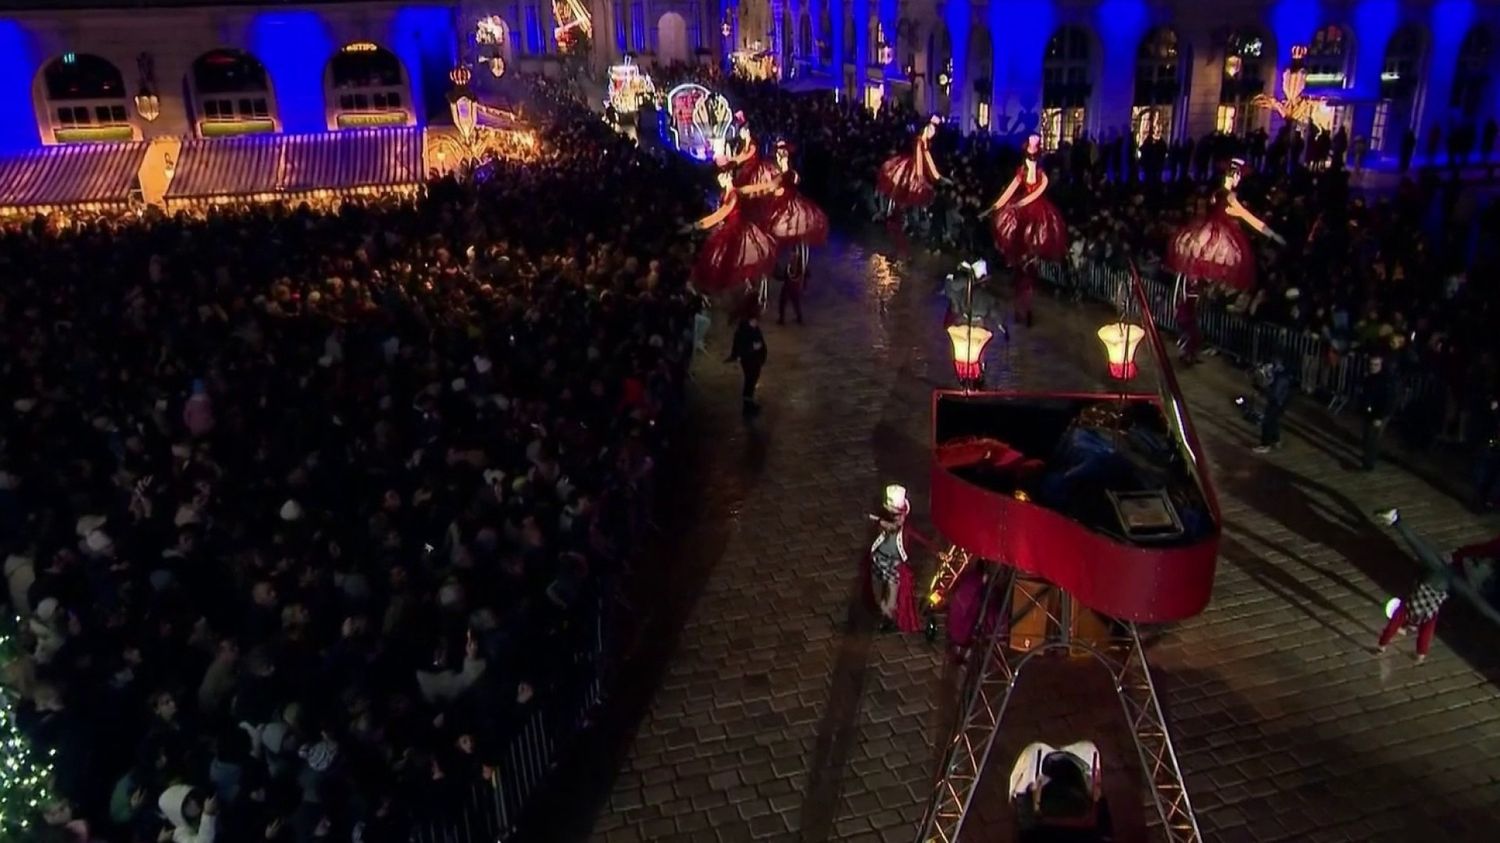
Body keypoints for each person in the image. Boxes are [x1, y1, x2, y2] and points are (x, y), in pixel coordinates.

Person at [1166, 159, 1285, 299]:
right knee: (1223, 266)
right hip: (1221, 237)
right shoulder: (1230, 197)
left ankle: (1197, 294)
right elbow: (1250, 218)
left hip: (1206, 232)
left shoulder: (1216, 194)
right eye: (1238, 176)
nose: (1239, 179)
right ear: (1232, 175)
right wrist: (1272, 234)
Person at [687, 164, 780, 304]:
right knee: (725, 261)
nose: (720, 180)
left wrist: (698, 225)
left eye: (722, 177)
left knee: (729, 260)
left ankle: (747, 291)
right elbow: (756, 188)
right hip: (731, 228)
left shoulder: (734, 194)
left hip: (736, 230)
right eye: (720, 177)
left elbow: (721, 214)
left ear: (728, 176)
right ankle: (742, 290)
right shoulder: (731, 192)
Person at [1373, 508, 1455, 664]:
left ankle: (1384, 646)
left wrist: (1381, 645)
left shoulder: (1412, 606)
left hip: (1422, 597)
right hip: (1431, 602)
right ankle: (1420, 654)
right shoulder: (1430, 610)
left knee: (1398, 621)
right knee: (1425, 629)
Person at [985, 134, 1068, 267]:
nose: (1030, 160)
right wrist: (995, 206)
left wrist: (1021, 203)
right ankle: (1018, 259)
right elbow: (1010, 190)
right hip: (1022, 205)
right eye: (1028, 156)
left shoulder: (1042, 176)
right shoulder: (1022, 173)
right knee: (1016, 229)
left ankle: (1034, 260)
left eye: (1033, 157)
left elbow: (1037, 193)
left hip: (1037, 208)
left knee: (1038, 233)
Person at [763, 139, 828, 286]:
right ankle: (795, 268)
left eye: (781, 154)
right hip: (787, 205)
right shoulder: (785, 172)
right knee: (792, 238)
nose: (779, 156)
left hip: (789, 207)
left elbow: (779, 186)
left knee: (793, 238)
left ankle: (797, 269)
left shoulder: (787, 173)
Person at [866, 484, 928, 633]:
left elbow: (920, 538)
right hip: (879, 561)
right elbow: (870, 518)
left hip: (895, 564)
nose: (899, 519)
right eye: (894, 515)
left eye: (900, 515)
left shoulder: (906, 529)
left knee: (892, 596)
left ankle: (889, 617)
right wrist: (881, 523)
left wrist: (937, 551)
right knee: (877, 592)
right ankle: (885, 612)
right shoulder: (882, 526)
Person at [876, 116, 946, 219]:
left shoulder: (926, 142)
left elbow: (927, 159)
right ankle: (891, 212)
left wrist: (936, 175)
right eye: (931, 129)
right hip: (910, 168)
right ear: (926, 128)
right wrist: (921, 175)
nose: (933, 133)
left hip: (917, 167)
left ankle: (906, 215)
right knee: (901, 188)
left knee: (910, 193)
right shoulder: (919, 141)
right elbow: (919, 158)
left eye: (934, 131)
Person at [726, 300, 768, 416]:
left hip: (754, 360)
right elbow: (741, 345)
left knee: (751, 380)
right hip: (749, 360)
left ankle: (749, 402)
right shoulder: (745, 329)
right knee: (750, 381)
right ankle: (747, 406)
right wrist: (753, 348)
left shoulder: (751, 326)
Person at [1359, 355, 1394, 471]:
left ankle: (1369, 463)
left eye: (1376, 365)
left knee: (1373, 438)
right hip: (1370, 411)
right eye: (1371, 364)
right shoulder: (1369, 377)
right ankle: (1368, 458)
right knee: (1367, 436)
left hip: (1380, 413)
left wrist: (1379, 417)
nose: (1373, 367)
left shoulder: (1386, 381)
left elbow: (1388, 401)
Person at [1253, 360, 1294, 453]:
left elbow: (1274, 394)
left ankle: (1265, 445)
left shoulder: (1280, 378)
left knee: (1267, 421)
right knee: (1273, 420)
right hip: (1281, 401)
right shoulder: (1281, 374)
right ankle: (1276, 440)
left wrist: (1262, 389)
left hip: (1278, 402)